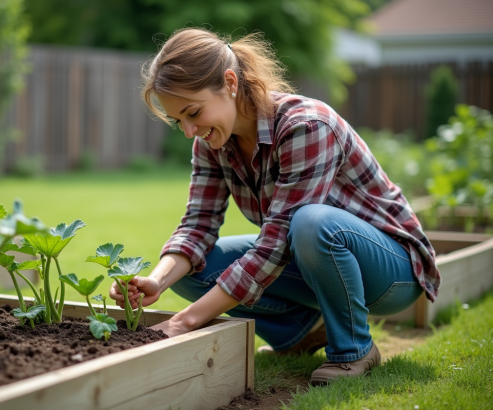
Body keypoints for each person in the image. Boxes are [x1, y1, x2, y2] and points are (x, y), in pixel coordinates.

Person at [108, 28, 441, 385]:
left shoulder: (306, 127)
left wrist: (183, 321)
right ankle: (300, 333)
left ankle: (354, 350)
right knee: (195, 270)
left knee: (310, 223)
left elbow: (276, 241)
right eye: (179, 121)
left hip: (392, 271)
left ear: (230, 83)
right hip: (309, 255)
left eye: (193, 112)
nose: (188, 131)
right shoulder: (212, 142)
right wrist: (157, 280)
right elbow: (198, 224)